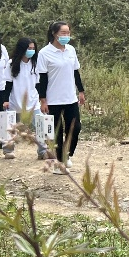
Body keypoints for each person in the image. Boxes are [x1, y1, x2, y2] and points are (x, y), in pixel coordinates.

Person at [36, 20, 85, 172]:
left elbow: (75, 72)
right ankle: (59, 162)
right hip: (53, 99)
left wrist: (81, 91)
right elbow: (42, 79)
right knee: (57, 132)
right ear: (54, 34)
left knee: (75, 128)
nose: (66, 36)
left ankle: (66, 155)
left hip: (70, 97)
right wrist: (43, 100)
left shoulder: (71, 50)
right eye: (63, 33)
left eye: (68, 33)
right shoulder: (45, 53)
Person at [5, 36, 48, 160]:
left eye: (33, 48)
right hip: (15, 101)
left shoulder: (36, 64)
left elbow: (39, 84)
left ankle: (42, 151)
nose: (31, 50)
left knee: (40, 126)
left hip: (33, 101)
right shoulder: (12, 64)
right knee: (11, 127)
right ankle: (8, 150)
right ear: (22, 49)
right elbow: (8, 83)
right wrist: (5, 99)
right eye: (29, 48)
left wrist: (43, 99)